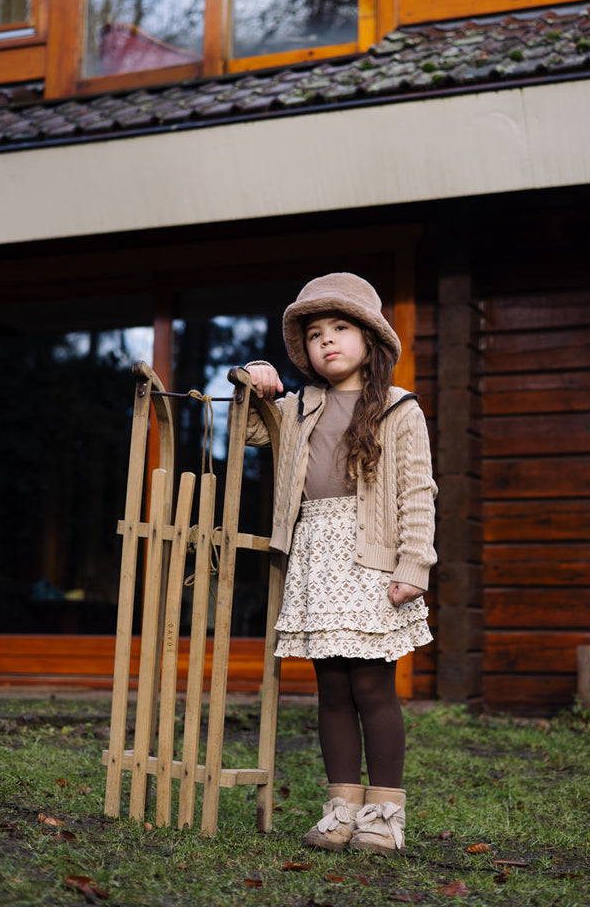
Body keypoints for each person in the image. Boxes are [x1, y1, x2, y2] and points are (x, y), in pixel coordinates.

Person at [244, 272, 437, 855]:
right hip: (317, 556)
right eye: (315, 333)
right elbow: (250, 430)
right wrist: (255, 376)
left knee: (372, 686)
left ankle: (384, 814)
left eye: (341, 328)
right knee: (330, 687)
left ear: (369, 340)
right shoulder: (299, 406)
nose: (326, 340)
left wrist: (413, 565)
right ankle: (342, 808)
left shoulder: (400, 409)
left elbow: (418, 492)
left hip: (373, 560)